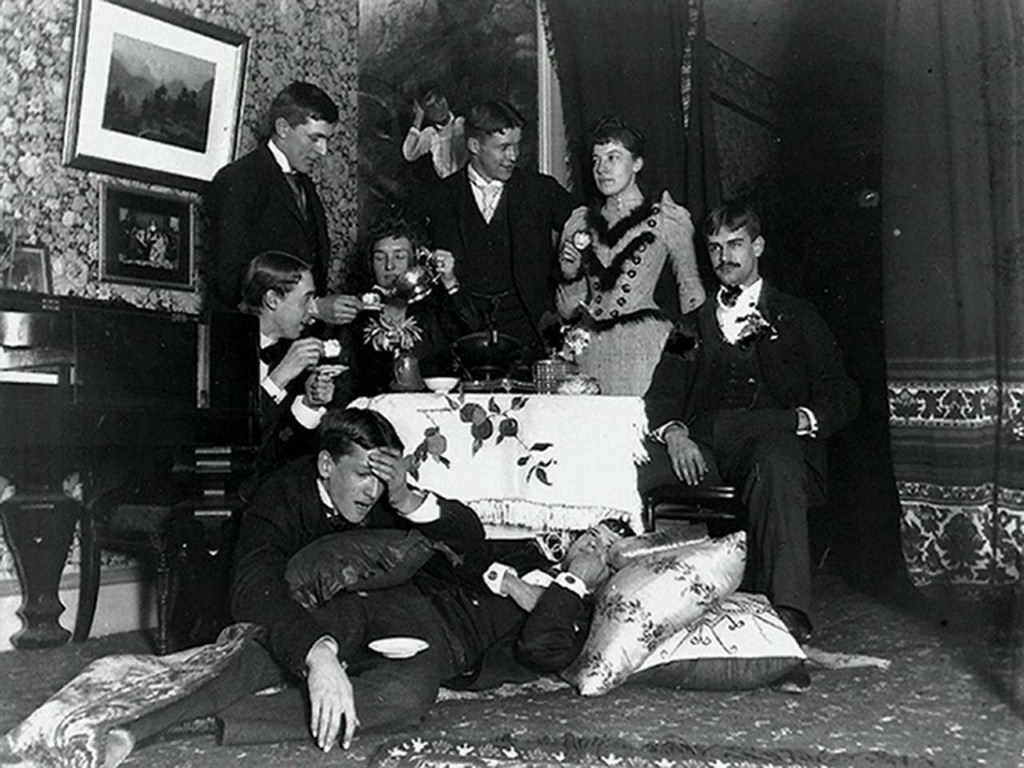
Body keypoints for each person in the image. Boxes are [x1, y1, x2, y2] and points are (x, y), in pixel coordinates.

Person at [113, 409, 631, 757]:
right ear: (325, 465)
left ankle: (222, 722)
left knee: (404, 702)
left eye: (601, 546)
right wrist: (317, 653)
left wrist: (573, 582)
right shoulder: (280, 498)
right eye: (589, 535)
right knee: (278, 643)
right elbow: (254, 586)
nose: (374, 490)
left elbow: (536, 635)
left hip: (440, 639)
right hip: (378, 600)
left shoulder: (582, 603)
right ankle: (137, 727)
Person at [641, 201, 860, 648]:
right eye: (716, 247)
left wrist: (805, 418)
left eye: (736, 244)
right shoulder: (691, 325)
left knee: (777, 458)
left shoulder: (796, 316)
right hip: (702, 448)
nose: (725, 257)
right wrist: (675, 432)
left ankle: (788, 617)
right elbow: (664, 392)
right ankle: (632, 616)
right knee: (627, 468)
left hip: (772, 441)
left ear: (758, 246)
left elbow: (842, 391)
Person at [556, 117, 705, 395]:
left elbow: (692, 292)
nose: (602, 169)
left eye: (613, 157)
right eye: (596, 160)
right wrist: (570, 272)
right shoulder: (580, 222)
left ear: (637, 164)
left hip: (642, 348)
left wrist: (695, 362)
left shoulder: (665, 218)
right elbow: (568, 309)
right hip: (589, 347)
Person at [424, 99, 576, 361]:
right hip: (460, 334)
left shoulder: (541, 191)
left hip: (531, 334)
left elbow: (585, 226)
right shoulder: (440, 196)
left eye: (517, 145)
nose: (514, 156)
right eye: (504, 147)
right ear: (474, 146)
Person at [206, 81, 366, 327]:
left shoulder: (306, 186)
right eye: (315, 138)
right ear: (282, 128)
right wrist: (312, 307)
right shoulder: (237, 179)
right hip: (247, 344)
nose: (323, 151)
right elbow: (229, 280)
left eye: (327, 140)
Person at [238, 251, 346, 485]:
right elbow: (234, 443)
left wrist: (309, 403)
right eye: (305, 300)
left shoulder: (290, 351)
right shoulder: (225, 344)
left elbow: (281, 450)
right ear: (273, 299)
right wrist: (278, 379)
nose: (313, 312)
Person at [350, 210, 483, 394]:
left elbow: (475, 335)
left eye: (399, 257)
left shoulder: (434, 307)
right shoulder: (356, 310)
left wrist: (450, 281)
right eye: (380, 258)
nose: (389, 266)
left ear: (414, 260)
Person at [401, 82, 468, 180]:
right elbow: (409, 153)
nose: (438, 107)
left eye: (439, 100)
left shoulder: (462, 122)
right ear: (426, 113)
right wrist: (418, 118)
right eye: (431, 106)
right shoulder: (431, 134)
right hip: (451, 186)